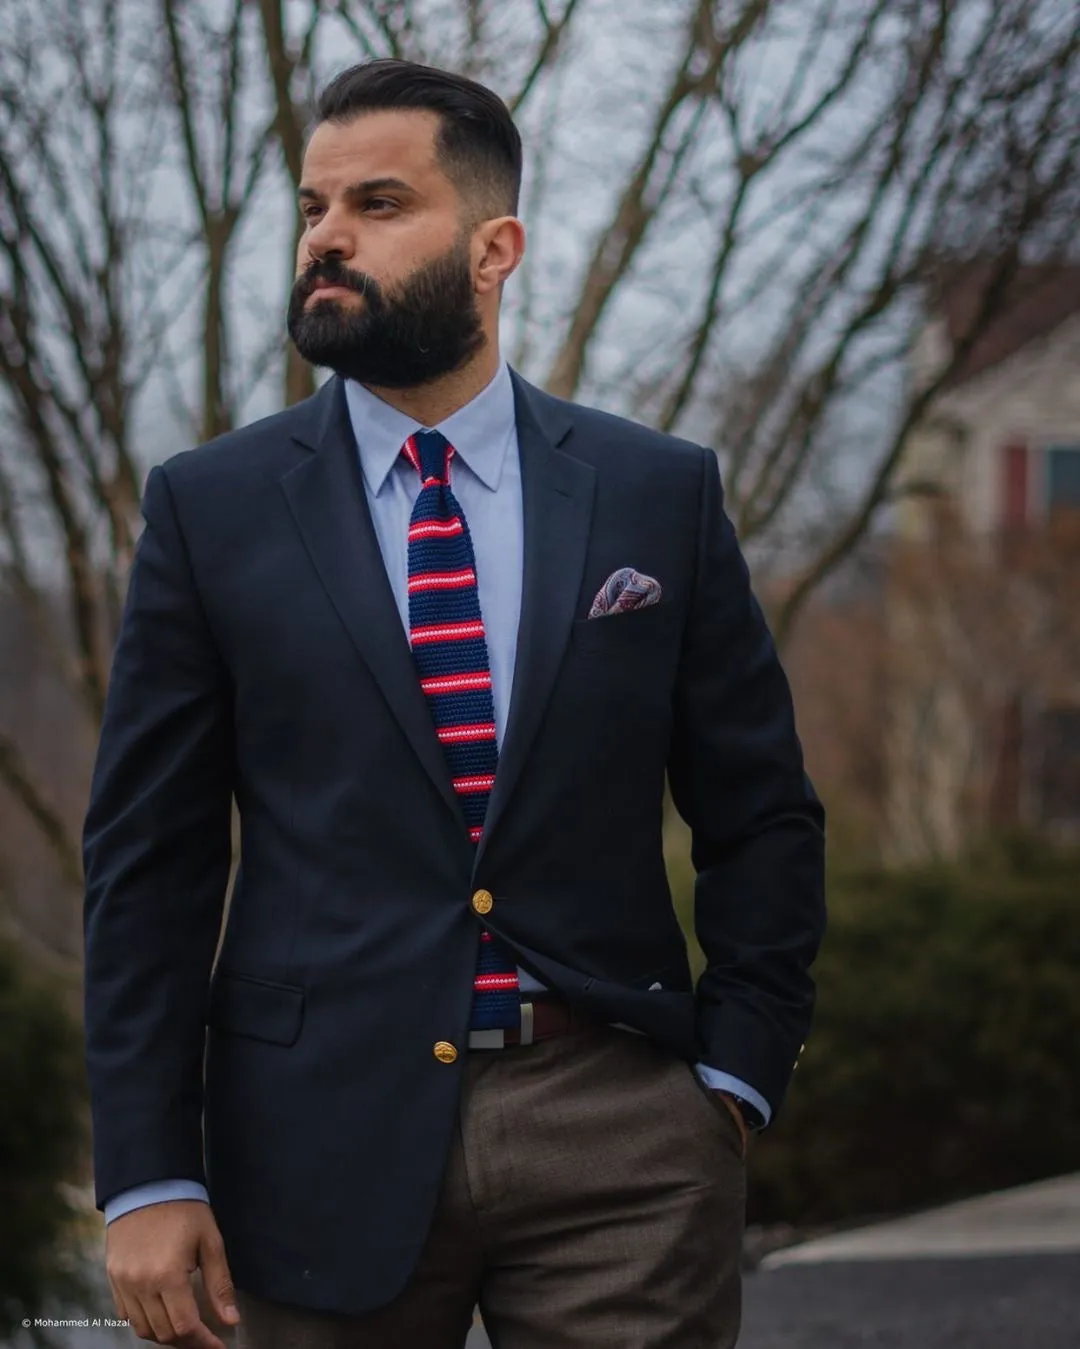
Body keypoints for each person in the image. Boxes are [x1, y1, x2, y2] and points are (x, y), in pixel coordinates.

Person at [82, 57, 826, 1349]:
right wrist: (150, 1171)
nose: (327, 238)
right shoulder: (211, 509)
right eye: (314, 207)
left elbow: (759, 811)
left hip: (621, 1134)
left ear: (496, 248)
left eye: (378, 203)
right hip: (310, 1135)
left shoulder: (656, 494)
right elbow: (149, 861)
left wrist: (735, 1077)